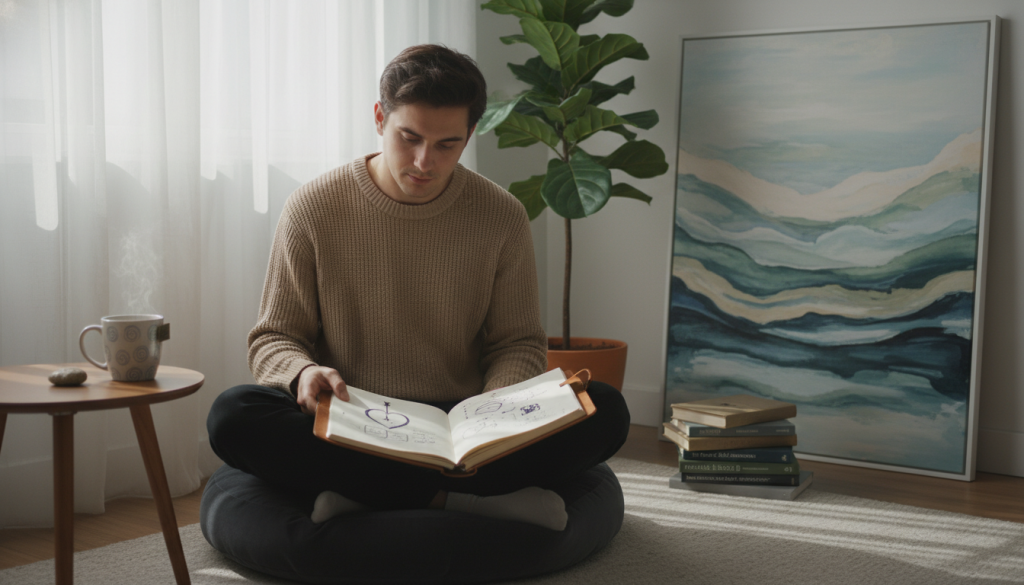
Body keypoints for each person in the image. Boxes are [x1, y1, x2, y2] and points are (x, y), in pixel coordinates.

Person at [207, 44, 630, 532]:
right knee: (233, 415)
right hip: (355, 421)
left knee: (606, 407)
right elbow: (274, 337)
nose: (424, 161)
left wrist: (492, 414)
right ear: (379, 119)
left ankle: (368, 493)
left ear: (470, 134)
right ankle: (463, 501)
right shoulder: (314, 207)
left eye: (447, 144)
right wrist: (302, 373)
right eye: (409, 138)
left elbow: (517, 343)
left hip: (463, 421)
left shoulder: (501, 215)